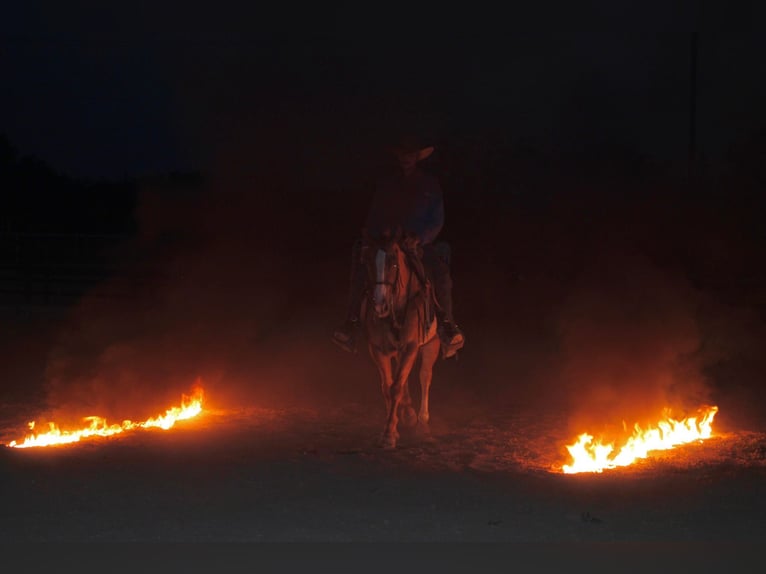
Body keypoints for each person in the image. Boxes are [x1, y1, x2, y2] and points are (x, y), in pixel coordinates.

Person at [332, 134, 465, 358]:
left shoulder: (429, 184)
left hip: (416, 245)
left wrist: (420, 238)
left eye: (410, 155)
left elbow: (436, 219)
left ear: (417, 157)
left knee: (440, 274)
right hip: (386, 244)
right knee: (362, 269)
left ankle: (446, 324)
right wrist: (371, 234)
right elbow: (375, 214)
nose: (406, 159)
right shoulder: (387, 184)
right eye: (403, 155)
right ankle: (352, 323)